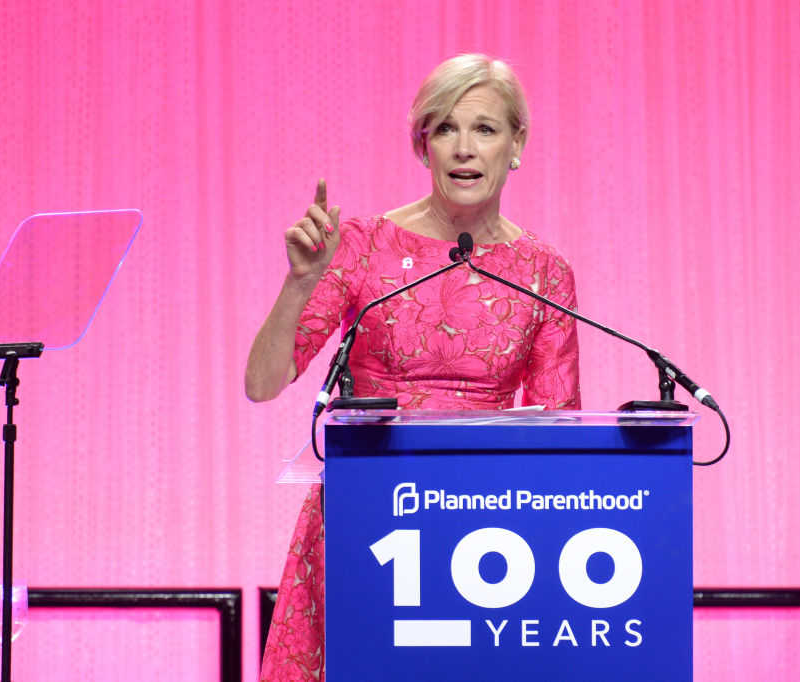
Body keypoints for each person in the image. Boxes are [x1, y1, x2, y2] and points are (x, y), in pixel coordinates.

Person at [247, 53, 580, 681]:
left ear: (517, 143)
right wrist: (298, 284)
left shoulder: (545, 272)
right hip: (371, 519)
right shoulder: (363, 244)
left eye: (484, 129)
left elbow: (557, 438)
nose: (463, 148)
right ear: (422, 144)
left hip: (489, 537)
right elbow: (261, 384)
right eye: (445, 128)